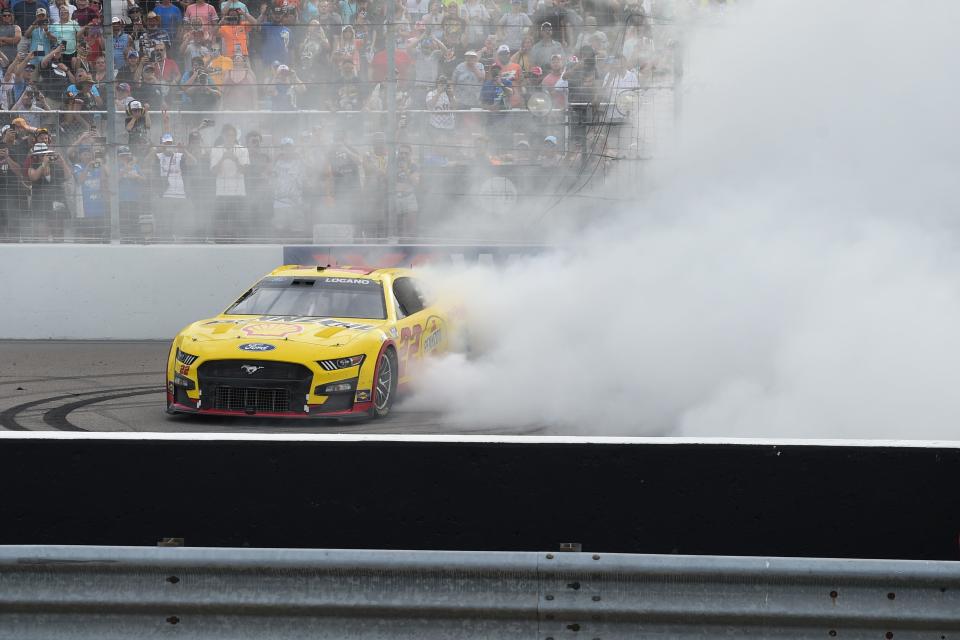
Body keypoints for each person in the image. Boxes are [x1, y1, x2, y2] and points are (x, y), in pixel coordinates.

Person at [152, 132, 197, 240]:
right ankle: (166, 242)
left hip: (181, 195)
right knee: (166, 223)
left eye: (170, 143)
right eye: (166, 143)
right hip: (166, 195)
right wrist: (154, 150)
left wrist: (183, 150)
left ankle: (180, 241)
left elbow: (194, 162)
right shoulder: (158, 156)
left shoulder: (179, 155)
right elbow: (146, 163)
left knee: (181, 223)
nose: (168, 146)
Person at [209, 124, 250, 241]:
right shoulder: (216, 150)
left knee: (237, 223)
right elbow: (213, 172)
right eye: (227, 135)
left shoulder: (243, 150)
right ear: (223, 136)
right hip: (221, 193)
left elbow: (245, 171)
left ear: (236, 136)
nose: (230, 138)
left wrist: (235, 159)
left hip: (238, 193)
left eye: (232, 135)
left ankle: (236, 245)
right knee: (221, 223)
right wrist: (223, 158)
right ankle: (221, 244)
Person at [26, 141, 71, 241]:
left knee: (58, 232)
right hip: (40, 204)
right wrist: (43, 165)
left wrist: (61, 160)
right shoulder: (32, 168)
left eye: (45, 154)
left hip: (57, 201)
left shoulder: (56, 167)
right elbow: (34, 177)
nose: (44, 156)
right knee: (42, 233)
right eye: (41, 155)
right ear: (36, 157)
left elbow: (68, 176)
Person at [270, 137, 306, 237]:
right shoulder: (276, 164)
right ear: (281, 149)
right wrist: (275, 158)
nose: (288, 150)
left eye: (290, 147)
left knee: (297, 231)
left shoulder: (299, 163)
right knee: (279, 231)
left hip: (296, 202)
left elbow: (307, 175)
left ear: (293, 149)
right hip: (279, 202)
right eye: (285, 148)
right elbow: (269, 177)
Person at [72, 144, 107, 240]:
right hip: (84, 208)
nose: (87, 156)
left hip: (98, 206)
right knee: (87, 233)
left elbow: (104, 180)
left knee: (99, 232)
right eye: (85, 154)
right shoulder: (78, 166)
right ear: (80, 156)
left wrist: (102, 166)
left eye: (89, 154)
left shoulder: (97, 165)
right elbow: (80, 180)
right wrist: (88, 166)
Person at [394, 142, 419, 237]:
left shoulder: (414, 166)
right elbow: (388, 181)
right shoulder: (393, 165)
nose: (403, 155)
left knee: (411, 229)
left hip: (409, 198)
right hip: (395, 199)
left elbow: (415, 182)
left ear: (410, 154)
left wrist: (405, 169)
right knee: (398, 229)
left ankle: (410, 248)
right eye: (401, 153)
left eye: (406, 153)